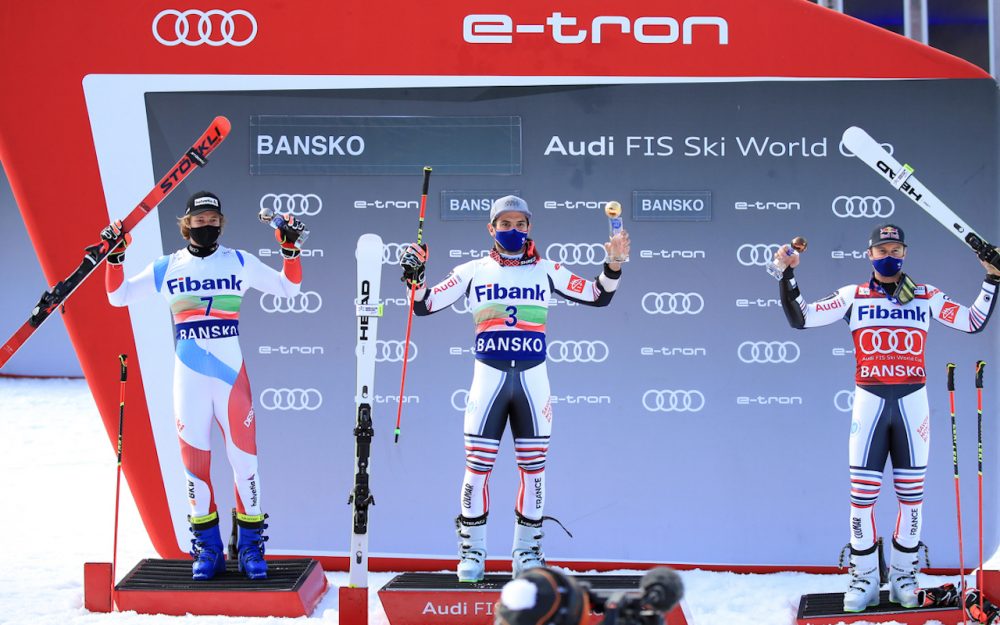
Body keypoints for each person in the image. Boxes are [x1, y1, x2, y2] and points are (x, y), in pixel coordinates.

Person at [399, 195, 630, 582]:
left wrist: (615, 263)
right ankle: (472, 553)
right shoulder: (472, 270)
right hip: (487, 381)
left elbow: (599, 295)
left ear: (529, 228)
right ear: (491, 229)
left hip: (532, 381)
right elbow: (423, 305)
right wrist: (415, 275)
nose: (512, 230)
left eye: (520, 224)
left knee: (534, 472)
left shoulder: (546, 269)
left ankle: (527, 552)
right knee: (476, 470)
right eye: (504, 224)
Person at [775, 224, 1000, 612]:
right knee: (862, 499)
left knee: (912, 499)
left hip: (913, 405)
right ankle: (862, 579)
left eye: (895, 247)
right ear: (870, 255)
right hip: (870, 403)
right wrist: (787, 273)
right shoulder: (853, 296)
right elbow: (802, 317)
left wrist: (993, 277)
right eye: (881, 250)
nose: (888, 254)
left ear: (905, 252)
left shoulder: (926, 295)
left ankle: (903, 577)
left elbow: (973, 320)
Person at [101, 190, 307, 581]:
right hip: (189, 379)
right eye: (199, 220)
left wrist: (291, 252)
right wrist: (115, 257)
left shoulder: (239, 261)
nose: (207, 226)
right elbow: (118, 296)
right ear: (186, 225)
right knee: (195, 467)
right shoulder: (168, 267)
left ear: (221, 222)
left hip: (231, 379)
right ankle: (208, 549)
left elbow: (288, 288)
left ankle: (250, 548)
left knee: (245, 464)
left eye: (213, 219)